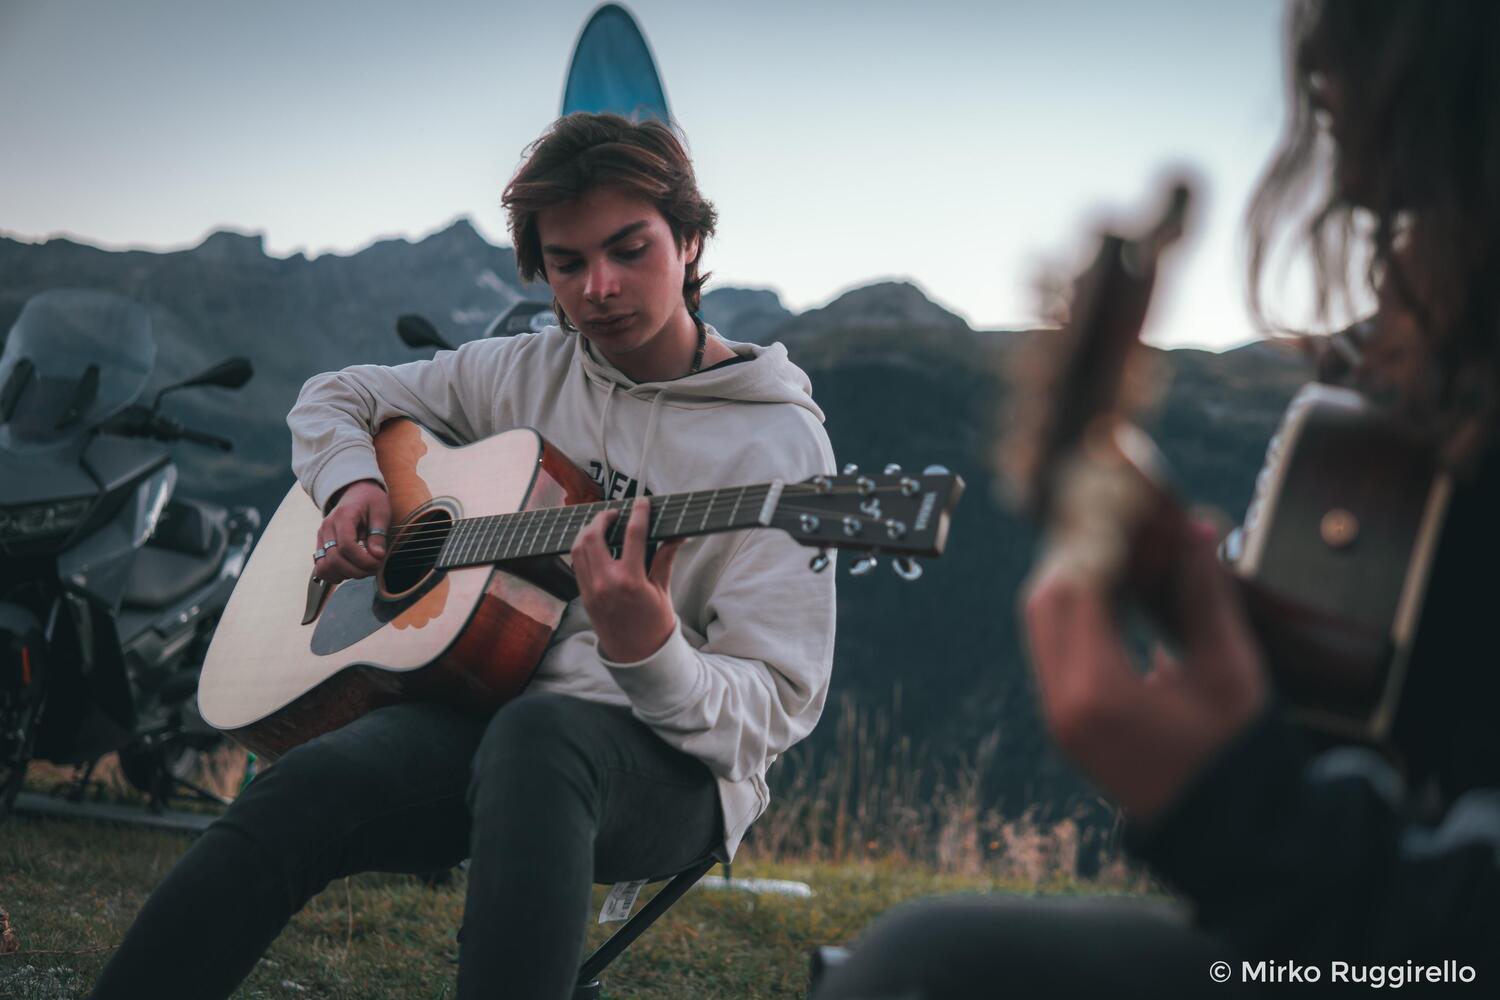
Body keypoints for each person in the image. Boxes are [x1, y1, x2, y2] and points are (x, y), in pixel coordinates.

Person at [815, 2, 1500, 996]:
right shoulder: (1420, 373)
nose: (1322, 74)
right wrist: (1213, 612)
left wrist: (1239, 812)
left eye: (1366, 28)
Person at [91, 112, 837, 1000]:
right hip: (487, 710)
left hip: (669, 766)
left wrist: (651, 652)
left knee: (540, 737)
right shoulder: (528, 372)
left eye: (629, 249)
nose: (598, 287)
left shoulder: (777, 450)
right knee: (303, 788)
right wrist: (348, 484)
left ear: (690, 240)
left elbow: (777, 708)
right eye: (567, 263)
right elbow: (338, 395)